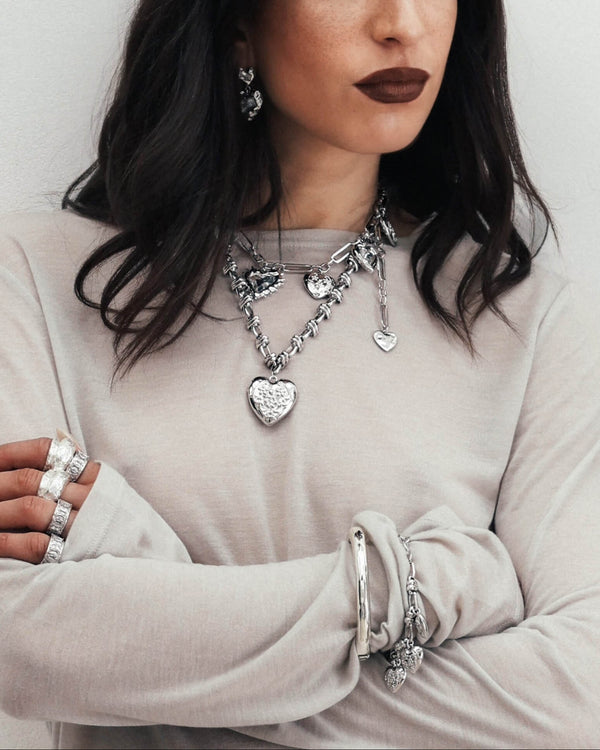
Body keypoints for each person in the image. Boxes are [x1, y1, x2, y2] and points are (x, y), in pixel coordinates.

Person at [0, 1, 598, 748]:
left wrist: (142, 589)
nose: (402, 23)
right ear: (237, 25)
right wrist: (406, 587)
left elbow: (574, 700)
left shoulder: (524, 320)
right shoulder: (39, 280)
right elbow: (18, 646)